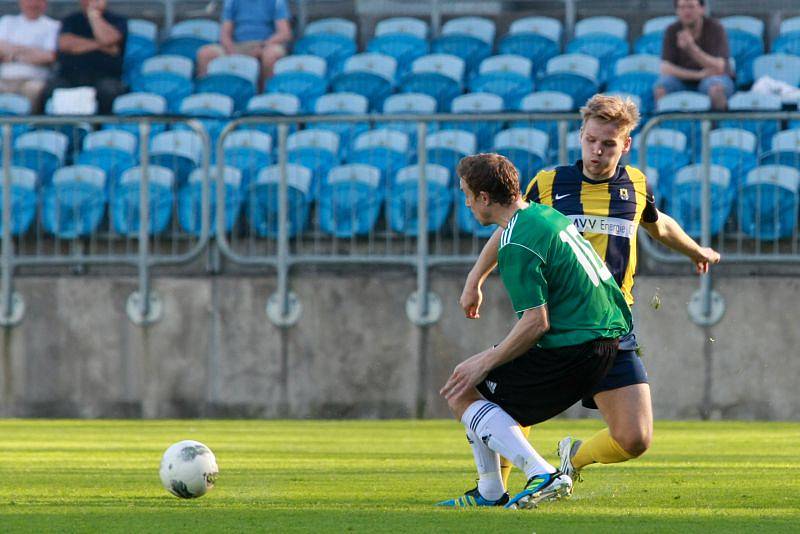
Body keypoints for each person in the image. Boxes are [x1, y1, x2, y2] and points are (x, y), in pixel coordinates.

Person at [459, 94, 721, 492]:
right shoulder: (548, 184)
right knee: (509, 408)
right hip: (554, 323)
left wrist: (696, 251)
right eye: (591, 140)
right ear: (580, 135)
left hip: (612, 326)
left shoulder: (635, 185)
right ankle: (494, 492)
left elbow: (658, 225)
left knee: (635, 439)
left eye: (608, 144)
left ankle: (570, 461)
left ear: (626, 144)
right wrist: (474, 279)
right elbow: (508, 227)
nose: (597, 152)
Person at [437, 153, 633, 509]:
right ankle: (490, 493)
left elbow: (535, 322)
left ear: (484, 197)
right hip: (606, 338)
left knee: (463, 390)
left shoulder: (516, 243)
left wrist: (486, 361)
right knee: (470, 385)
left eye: (467, 194)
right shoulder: (543, 215)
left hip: (578, 346)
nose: (465, 202)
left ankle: (542, 473)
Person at [43, 0, 127, 114]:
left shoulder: (117, 20)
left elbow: (107, 38)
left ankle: (101, 129)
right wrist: (102, 46)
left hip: (105, 76)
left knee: (108, 91)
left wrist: (94, 16)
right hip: (70, 76)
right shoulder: (71, 20)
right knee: (51, 89)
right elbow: (65, 44)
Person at [653, 0, 734, 110]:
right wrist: (699, 75)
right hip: (683, 80)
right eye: (682, 7)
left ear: (702, 9)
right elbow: (665, 68)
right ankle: (663, 126)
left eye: (691, 7)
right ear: (677, 11)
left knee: (716, 89)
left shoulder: (716, 28)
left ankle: (719, 126)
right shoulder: (672, 30)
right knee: (661, 88)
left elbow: (719, 67)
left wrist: (692, 49)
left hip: (713, 78)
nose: (687, 11)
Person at [196, 0, 292, 88]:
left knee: (271, 54)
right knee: (205, 53)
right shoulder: (232, 1)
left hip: (265, 44)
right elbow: (225, 34)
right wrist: (232, 51)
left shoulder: (276, 1)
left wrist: (262, 46)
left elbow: (284, 33)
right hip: (238, 45)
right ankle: (206, 93)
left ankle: (264, 94)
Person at [0, 0, 60, 113]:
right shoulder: (7, 22)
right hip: (4, 78)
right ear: (21, 3)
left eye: (37, 1)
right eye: (29, 1)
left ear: (45, 4)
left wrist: (12, 55)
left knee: (34, 89)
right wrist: (31, 50)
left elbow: (48, 57)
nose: (33, 5)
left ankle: (29, 126)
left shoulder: (53, 25)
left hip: (33, 79)